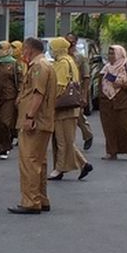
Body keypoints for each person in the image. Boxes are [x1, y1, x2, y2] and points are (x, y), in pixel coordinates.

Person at [8, 38, 57, 214]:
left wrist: (29, 116)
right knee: (39, 162)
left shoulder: (38, 67)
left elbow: (38, 94)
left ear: (30, 49)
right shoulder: (45, 64)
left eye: (24, 49)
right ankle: (41, 198)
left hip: (35, 122)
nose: (22, 53)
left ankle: (30, 201)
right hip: (43, 121)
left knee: (29, 161)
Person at [46, 38, 92, 182]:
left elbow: (59, 86)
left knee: (62, 141)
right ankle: (83, 164)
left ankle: (59, 169)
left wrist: (50, 102)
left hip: (63, 108)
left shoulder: (62, 63)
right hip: (70, 108)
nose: (51, 51)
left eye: (52, 48)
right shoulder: (69, 60)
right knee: (67, 140)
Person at [99, 45, 127, 160]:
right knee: (109, 128)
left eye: (113, 53)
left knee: (126, 128)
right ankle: (111, 152)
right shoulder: (106, 68)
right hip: (107, 103)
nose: (111, 56)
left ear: (120, 54)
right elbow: (101, 84)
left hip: (123, 103)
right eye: (109, 53)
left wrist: (122, 85)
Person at [66, 33, 95, 150]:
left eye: (71, 41)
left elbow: (86, 77)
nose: (69, 44)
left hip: (76, 90)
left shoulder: (80, 57)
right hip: (63, 89)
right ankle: (67, 142)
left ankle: (87, 134)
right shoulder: (59, 56)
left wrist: (84, 95)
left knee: (78, 115)